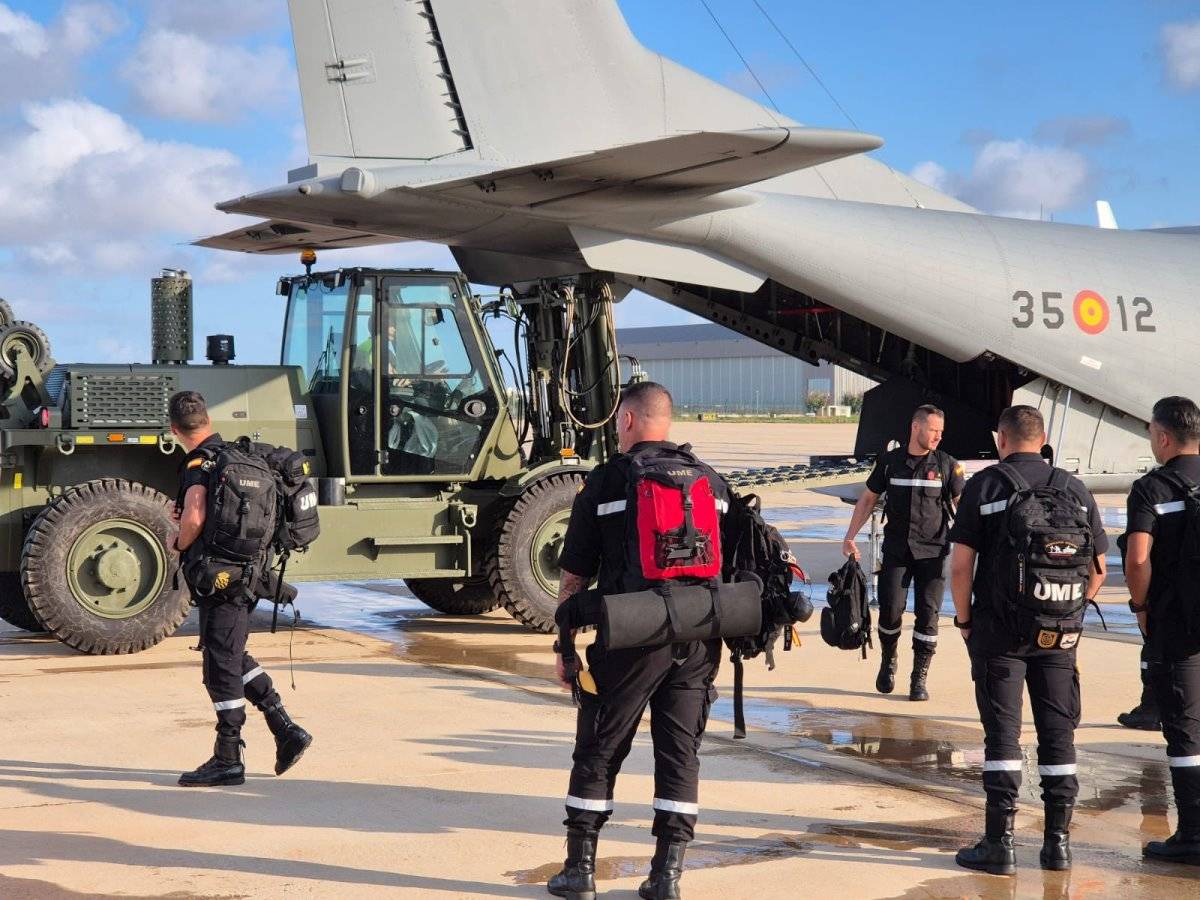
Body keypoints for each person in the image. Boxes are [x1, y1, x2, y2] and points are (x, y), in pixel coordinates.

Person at [548, 381, 734, 900]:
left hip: (631, 633)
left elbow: (573, 580)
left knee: (600, 748)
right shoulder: (711, 482)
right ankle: (666, 876)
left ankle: (579, 870)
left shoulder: (607, 481)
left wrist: (564, 649)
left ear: (627, 421)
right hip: (699, 638)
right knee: (680, 755)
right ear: (666, 421)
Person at [949, 405, 1107, 874]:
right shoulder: (1073, 488)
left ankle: (999, 843)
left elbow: (960, 566)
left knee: (1003, 736)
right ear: (1042, 439)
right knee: (1058, 735)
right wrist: (1069, 609)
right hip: (1060, 633)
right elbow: (1096, 569)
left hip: (999, 633)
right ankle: (1057, 843)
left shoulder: (986, 485)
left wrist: (964, 620)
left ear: (1002, 439)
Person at [170, 390, 313, 787]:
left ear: (174, 429)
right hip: (249, 574)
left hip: (222, 578)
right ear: (208, 421)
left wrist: (179, 542)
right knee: (231, 653)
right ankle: (284, 728)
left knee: (220, 667)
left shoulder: (199, 463)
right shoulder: (235, 454)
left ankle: (228, 756)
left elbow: (195, 514)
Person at [842, 405, 965, 700]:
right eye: (933, 430)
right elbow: (868, 499)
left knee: (928, 616)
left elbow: (963, 507)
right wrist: (850, 536)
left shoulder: (948, 465)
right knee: (890, 611)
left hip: (933, 553)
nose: (937, 437)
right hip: (897, 551)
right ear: (916, 428)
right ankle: (889, 660)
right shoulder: (890, 462)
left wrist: (974, 546)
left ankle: (919, 678)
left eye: (940, 432)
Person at [1124, 395, 1200, 865]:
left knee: (1186, 729)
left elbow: (1136, 559)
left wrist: (1140, 606)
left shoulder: (1152, 488)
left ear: (1164, 437)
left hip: (1176, 623)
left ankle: (1191, 833)